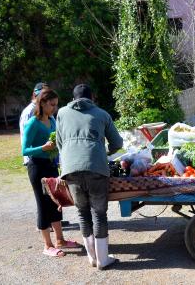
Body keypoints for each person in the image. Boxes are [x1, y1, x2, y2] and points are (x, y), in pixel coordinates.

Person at [56, 84, 123, 270]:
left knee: (82, 213)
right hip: (96, 168)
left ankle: (92, 258)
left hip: (70, 169)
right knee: (99, 214)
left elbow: (59, 143)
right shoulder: (102, 114)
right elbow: (117, 143)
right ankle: (103, 260)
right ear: (91, 97)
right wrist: (104, 152)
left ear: (73, 98)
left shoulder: (61, 113)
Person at [22, 88, 80, 258]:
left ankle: (60, 240)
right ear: (43, 103)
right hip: (37, 167)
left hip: (51, 166)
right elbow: (25, 150)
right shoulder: (32, 123)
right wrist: (43, 148)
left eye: (56, 104)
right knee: (43, 204)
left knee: (57, 202)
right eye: (52, 104)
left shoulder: (52, 120)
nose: (55, 108)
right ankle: (47, 245)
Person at [20, 82, 48, 166]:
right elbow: (26, 136)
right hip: (34, 159)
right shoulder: (28, 112)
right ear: (34, 94)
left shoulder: (46, 109)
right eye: (41, 95)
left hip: (46, 157)